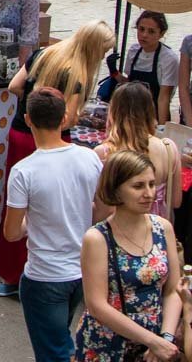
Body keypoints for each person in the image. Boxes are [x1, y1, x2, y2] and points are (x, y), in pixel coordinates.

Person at [0, 20, 117, 296]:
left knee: (16, 203)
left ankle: (10, 274)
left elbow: (15, 86)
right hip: (48, 140)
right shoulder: (77, 73)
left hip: (20, 133)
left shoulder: (42, 53)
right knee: (49, 206)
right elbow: (69, 118)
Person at [1, 88, 108, 362]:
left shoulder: (24, 170)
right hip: (81, 271)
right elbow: (103, 210)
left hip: (45, 274)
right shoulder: (89, 157)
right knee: (62, 341)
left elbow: (12, 232)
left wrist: (30, 222)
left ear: (27, 119)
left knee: (54, 352)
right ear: (64, 119)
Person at [73, 150, 182, 361]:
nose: (149, 193)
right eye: (138, 186)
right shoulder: (97, 238)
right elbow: (96, 305)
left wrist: (165, 338)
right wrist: (153, 340)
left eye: (151, 184)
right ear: (116, 190)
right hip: (107, 346)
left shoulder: (163, 228)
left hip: (154, 348)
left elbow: (172, 290)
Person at [95, 83, 183, 221]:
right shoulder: (168, 148)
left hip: (120, 230)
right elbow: (176, 201)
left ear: (114, 112)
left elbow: (105, 208)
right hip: (157, 231)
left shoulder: (104, 152)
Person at [115, 10, 180, 125]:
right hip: (130, 112)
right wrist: (114, 72)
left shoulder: (169, 59)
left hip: (154, 116)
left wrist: (162, 128)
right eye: (141, 29)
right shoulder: (133, 51)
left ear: (162, 33)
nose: (144, 35)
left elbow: (163, 98)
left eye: (151, 31)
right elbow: (128, 84)